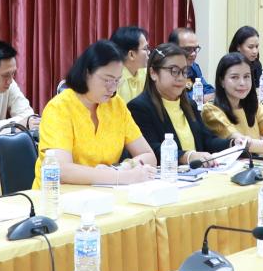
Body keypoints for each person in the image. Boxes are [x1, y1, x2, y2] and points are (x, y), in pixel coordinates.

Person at [35, 39, 158, 185]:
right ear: (87, 73)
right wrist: (122, 177)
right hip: (58, 194)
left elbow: (149, 156)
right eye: (107, 80)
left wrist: (124, 167)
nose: (112, 88)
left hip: (103, 192)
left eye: (117, 81)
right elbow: (61, 170)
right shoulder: (59, 108)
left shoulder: (116, 104)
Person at [128, 42, 240, 166]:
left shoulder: (190, 105)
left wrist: (232, 144)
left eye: (184, 71)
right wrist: (187, 156)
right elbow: (151, 151)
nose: (181, 78)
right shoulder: (139, 107)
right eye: (174, 71)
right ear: (153, 73)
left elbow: (207, 140)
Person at [169, 26, 213, 99]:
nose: (193, 54)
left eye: (195, 49)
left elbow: (207, 89)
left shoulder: (193, 67)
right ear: (172, 49)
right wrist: (201, 99)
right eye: (188, 49)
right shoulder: (166, 72)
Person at [112, 25, 151, 103]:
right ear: (131, 55)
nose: (149, 52)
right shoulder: (113, 81)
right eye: (145, 48)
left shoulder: (147, 73)